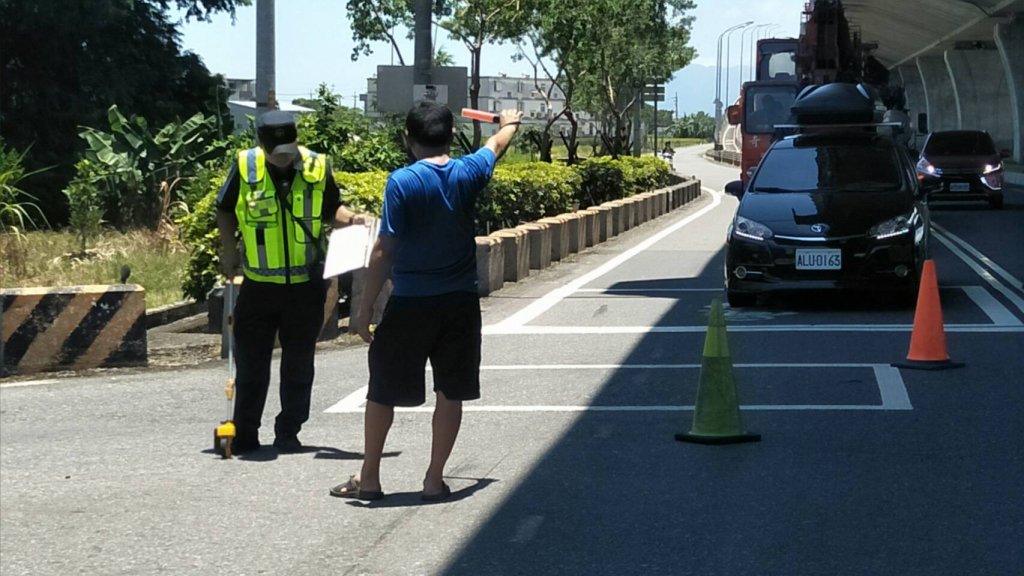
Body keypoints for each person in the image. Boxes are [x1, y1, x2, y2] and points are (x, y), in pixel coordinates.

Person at [330, 102, 523, 501]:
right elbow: (496, 145)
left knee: (382, 390)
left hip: (410, 303)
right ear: (452, 134)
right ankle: (434, 480)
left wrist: (363, 310)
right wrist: (510, 123)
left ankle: (369, 478)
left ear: (408, 137)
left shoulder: (402, 182)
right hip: (460, 303)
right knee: (450, 391)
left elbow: (384, 249)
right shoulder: (468, 171)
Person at [216, 110, 366, 454]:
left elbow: (332, 208)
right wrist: (229, 250)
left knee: (299, 364)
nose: (283, 158)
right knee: (251, 366)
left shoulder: (317, 166)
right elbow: (224, 207)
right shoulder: (245, 166)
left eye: (288, 151)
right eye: (277, 153)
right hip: (258, 285)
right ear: (261, 144)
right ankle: (245, 433)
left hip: (304, 285)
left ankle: (289, 431)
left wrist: (354, 218)